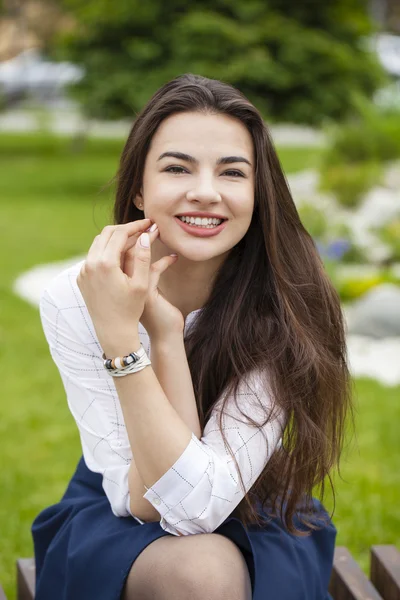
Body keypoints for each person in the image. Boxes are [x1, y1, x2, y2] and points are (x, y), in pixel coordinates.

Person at [32, 73, 353, 600]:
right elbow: (147, 502)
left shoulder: (288, 304)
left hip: (258, 503)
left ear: (258, 193)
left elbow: (197, 507)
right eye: (177, 168)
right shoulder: (78, 295)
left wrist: (155, 338)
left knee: (204, 572)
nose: (205, 192)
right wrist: (135, 335)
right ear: (138, 188)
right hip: (115, 500)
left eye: (232, 173)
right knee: (198, 572)